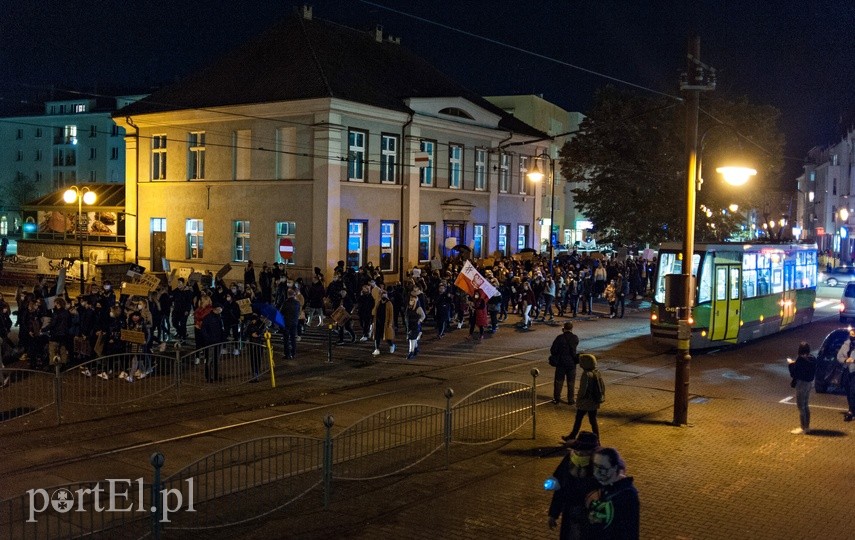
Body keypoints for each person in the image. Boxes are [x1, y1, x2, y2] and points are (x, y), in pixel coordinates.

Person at [547, 431, 601, 540]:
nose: (581, 454)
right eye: (579, 450)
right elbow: (560, 488)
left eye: (585, 451)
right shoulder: (568, 460)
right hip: (571, 513)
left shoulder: (600, 466)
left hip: (591, 517)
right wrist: (553, 513)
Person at [583, 447, 640, 539]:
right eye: (595, 466)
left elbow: (630, 530)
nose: (597, 472)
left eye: (602, 468)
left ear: (615, 468)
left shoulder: (627, 495)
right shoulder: (597, 484)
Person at [561, 354, 605, 442]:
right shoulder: (597, 372)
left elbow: (583, 389)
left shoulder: (586, 374)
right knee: (593, 421)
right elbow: (602, 386)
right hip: (594, 401)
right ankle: (597, 440)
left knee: (578, 418)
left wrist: (579, 399)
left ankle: (572, 436)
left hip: (585, 402)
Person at [788, 341, 816, 434]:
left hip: (801, 384)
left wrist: (791, 364)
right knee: (806, 405)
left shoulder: (800, 360)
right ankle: (807, 427)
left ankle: (802, 428)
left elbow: (794, 373)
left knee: (801, 406)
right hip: (809, 384)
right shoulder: (812, 358)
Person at [551, 322, 580, 405]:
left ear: (563, 328)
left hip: (561, 363)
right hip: (571, 363)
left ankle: (557, 398)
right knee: (571, 382)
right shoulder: (574, 338)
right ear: (571, 329)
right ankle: (570, 400)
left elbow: (553, 350)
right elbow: (573, 351)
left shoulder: (559, 338)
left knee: (558, 381)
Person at [835, 329, 855, 421]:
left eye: (854, 334)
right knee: (848, 391)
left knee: (852, 392)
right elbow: (839, 356)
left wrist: (853, 360)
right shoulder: (846, 344)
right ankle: (851, 409)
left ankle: (851, 411)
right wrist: (845, 360)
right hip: (847, 370)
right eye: (851, 334)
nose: (852, 336)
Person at [372, 290, 396, 357]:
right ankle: (377, 349)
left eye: (385, 295)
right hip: (378, 323)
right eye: (382, 295)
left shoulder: (389, 303)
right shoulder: (379, 303)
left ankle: (391, 345)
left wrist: (390, 323)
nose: (384, 296)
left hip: (385, 323)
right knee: (377, 336)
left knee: (387, 336)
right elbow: (376, 313)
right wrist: (374, 322)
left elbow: (391, 314)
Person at [405, 289, 426, 359]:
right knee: (413, 339)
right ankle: (415, 349)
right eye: (410, 300)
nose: (411, 302)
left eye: (412, 300)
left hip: (415, 326)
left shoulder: (418, 308)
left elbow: (423, 315)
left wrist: (419, 321)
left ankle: (411, 352)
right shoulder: (409, 308)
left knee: (412, 339)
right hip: (409, 325)